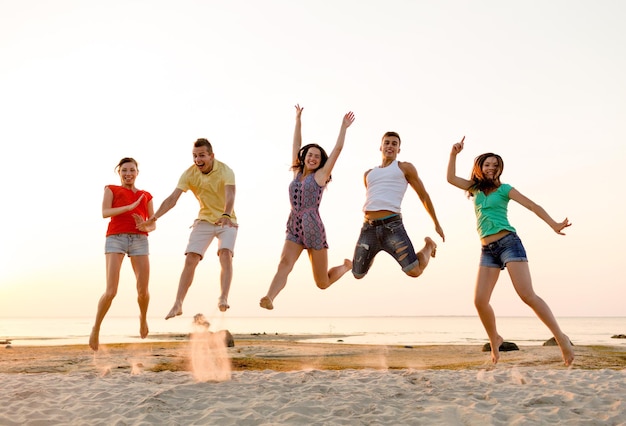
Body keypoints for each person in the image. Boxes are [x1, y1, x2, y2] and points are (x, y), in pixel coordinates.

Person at [447, 136, 574, 366]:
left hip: (509, 243)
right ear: (479, 167)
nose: (492, 168)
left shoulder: (505, 189)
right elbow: (450, 178)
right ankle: (494, 339)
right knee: (479, 300)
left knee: (527, 295)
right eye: (487, 165)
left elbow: (532, 206)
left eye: (496, 166)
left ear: (499, 170)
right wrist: (454, 154)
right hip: (487, 249)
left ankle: (561, 338)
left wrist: (554, 224)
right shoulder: (474, 188)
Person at [259, 104, 355, 310]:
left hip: (313, 228)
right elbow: (296, 143)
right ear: (304, 157)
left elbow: (337, 151)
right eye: (309, 154)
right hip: (294, 224)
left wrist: (343, 127)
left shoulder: (320, 176)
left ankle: (346, 266)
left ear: (321, 162)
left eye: (317, 156)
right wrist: (298, 120)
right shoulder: (296, 173)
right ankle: (270, 297)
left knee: (322, 283)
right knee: (284, 264)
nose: (312, 158)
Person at [139, 138, 238, 318]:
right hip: (204, 220)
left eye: (201, 156)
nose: (197, 160)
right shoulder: (189, 174)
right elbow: (172, 199)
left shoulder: (225, 170)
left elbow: (230, 194)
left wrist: (226, 214)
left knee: (225, 253)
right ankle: (178, 304)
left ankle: (223, 297)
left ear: (211, 156)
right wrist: (154, 217)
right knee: (191, 258)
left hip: (227, 220)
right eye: (194, 156)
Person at [351, 131, 444, 280]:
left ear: (398, 149)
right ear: (380, 147)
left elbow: (423, 195)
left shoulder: (404, 168)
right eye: (386, 143)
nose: (390, 146)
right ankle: (373, 250)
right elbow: (373, 199)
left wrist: (436, 223)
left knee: (415, 271)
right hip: (368, 228)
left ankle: (429, 245)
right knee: (357, 274)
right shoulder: (368, 174)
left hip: (392, 227)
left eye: (394, 144)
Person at [89, 157, 155, 351]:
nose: (128, 174)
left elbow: (153, 223)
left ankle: (143, 319)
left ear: (137, 172)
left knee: (143, 291)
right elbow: (105, 212)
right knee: (111, 291)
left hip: (140, 240)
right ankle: (96, 328)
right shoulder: (111, 189)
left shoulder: (146, 195)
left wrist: (145, 225)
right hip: (116, 238)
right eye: (124, 170)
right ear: (119, 173)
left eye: (132, 170)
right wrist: (129, 208)